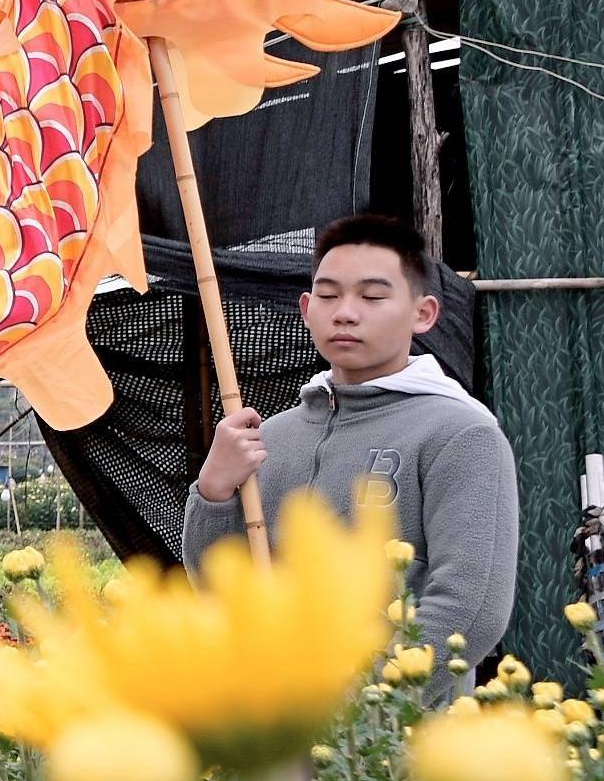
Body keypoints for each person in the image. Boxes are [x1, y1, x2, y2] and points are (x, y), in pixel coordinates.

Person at [189, 209, 518, 685]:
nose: (345, 311)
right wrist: (213, 492)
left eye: (372, 296)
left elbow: (471, 610)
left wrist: (356, 716)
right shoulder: (269, 440)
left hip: (397, 743)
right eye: (328, 295)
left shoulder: (460, 434)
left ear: (423, 313)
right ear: (306, 309)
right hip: (278, 725)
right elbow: (221, 588)